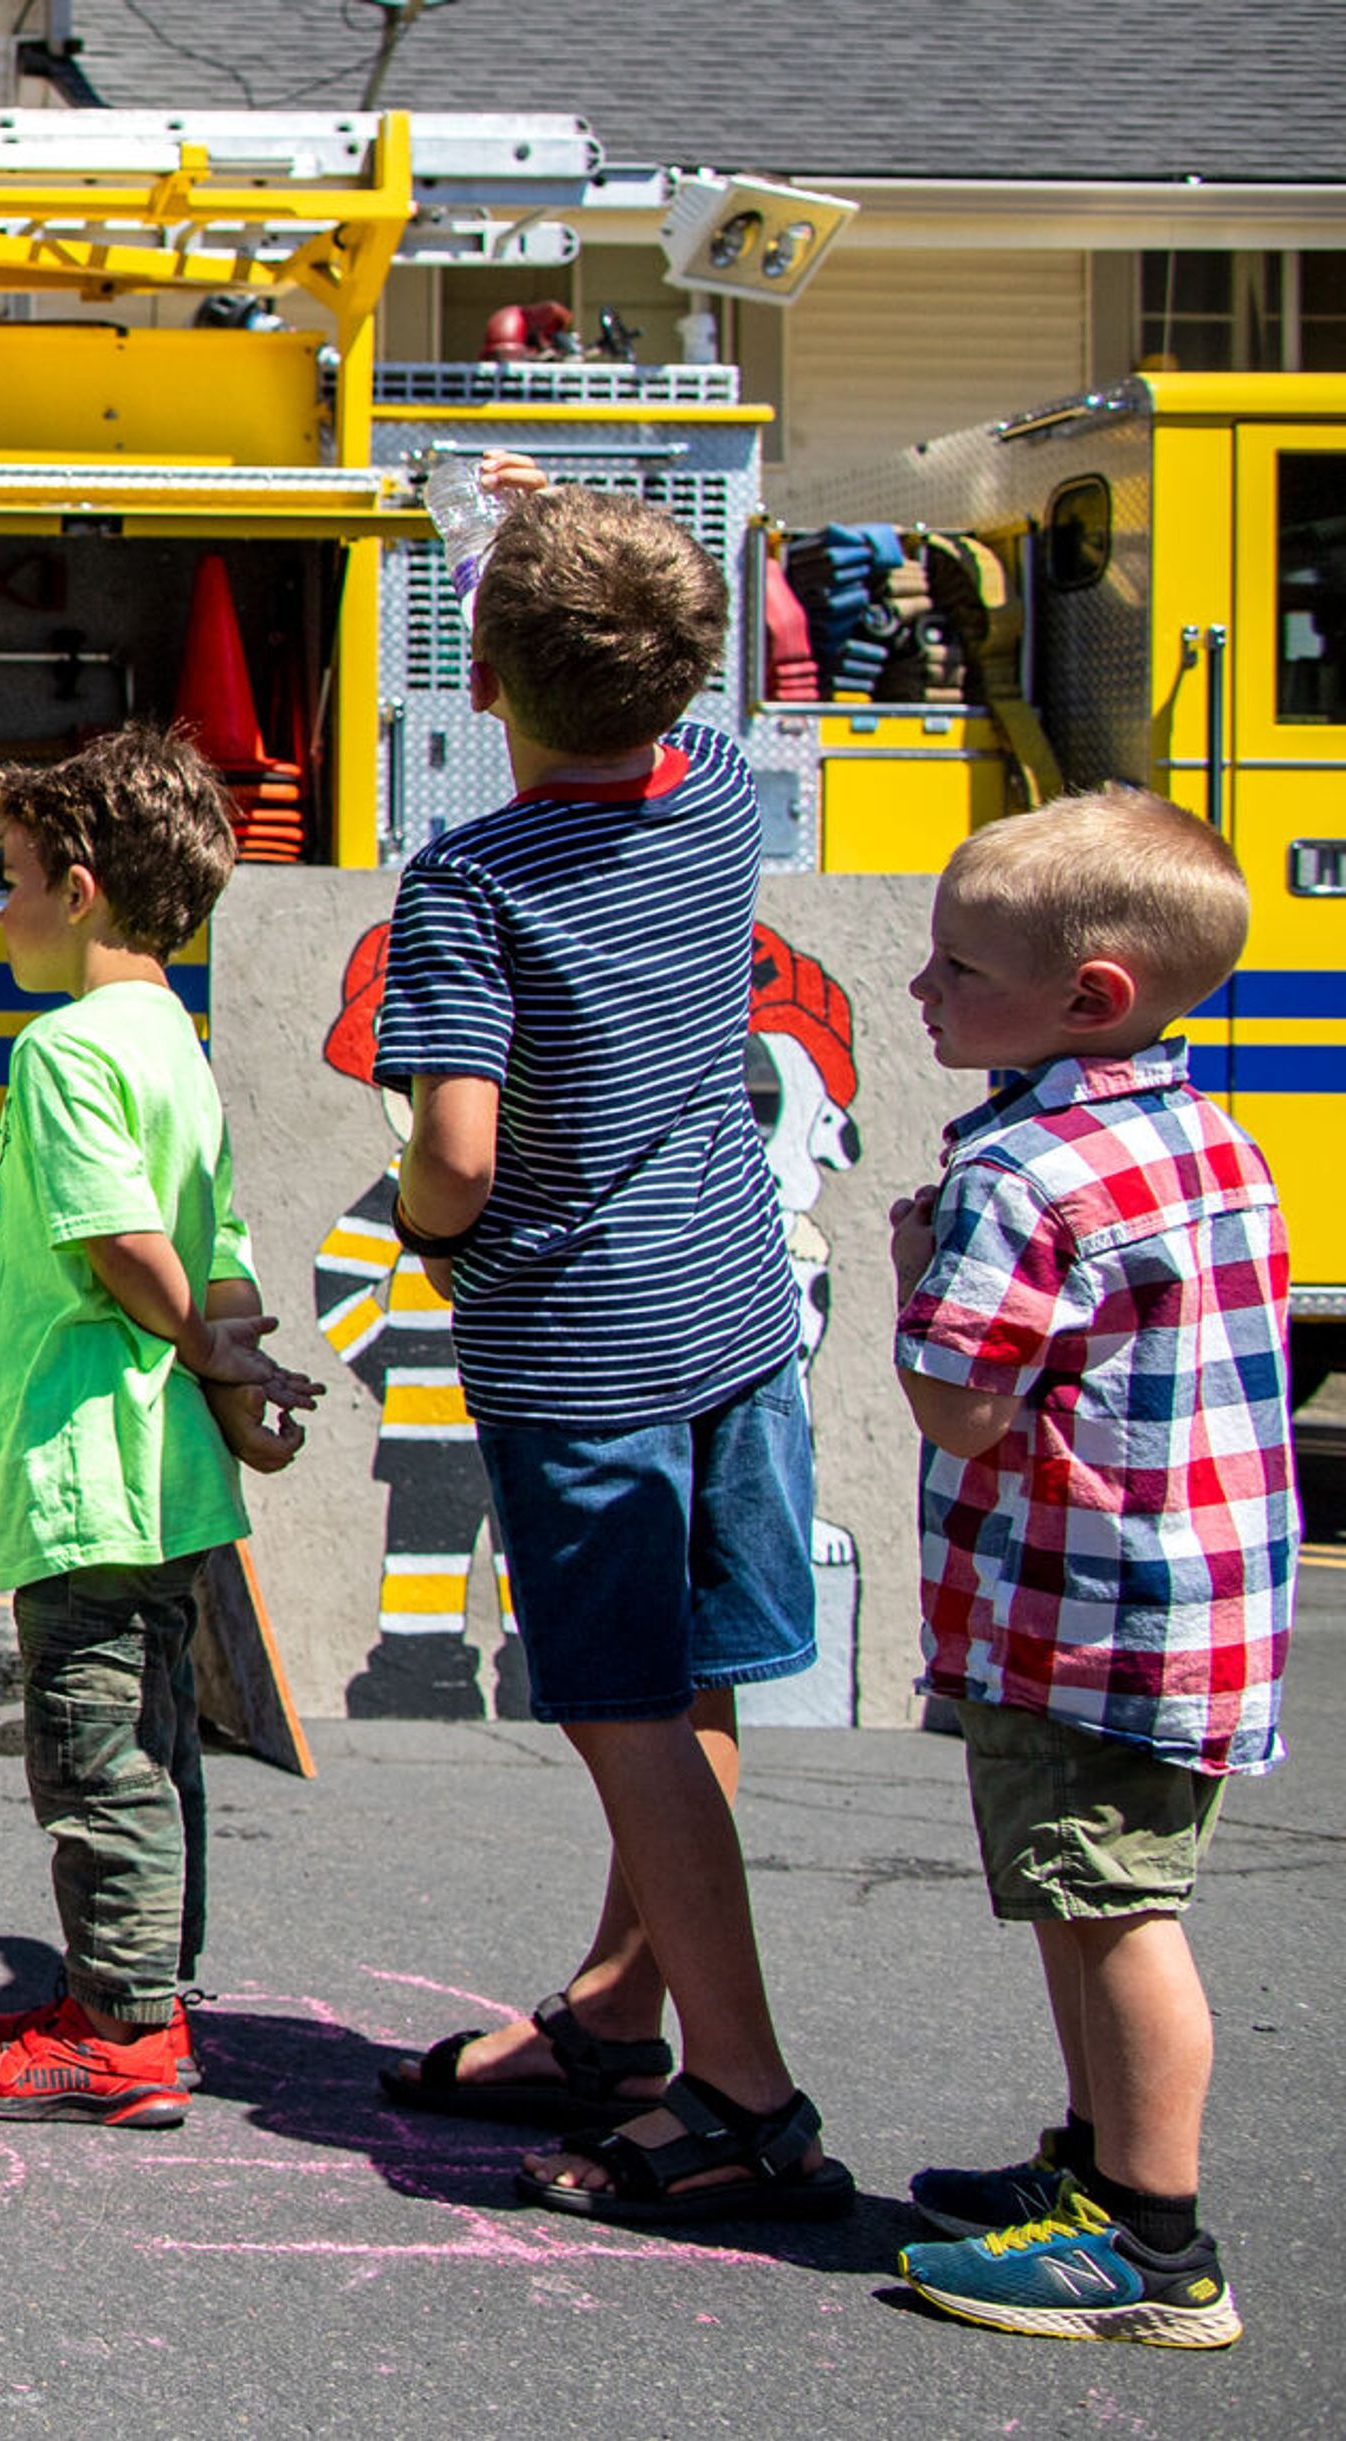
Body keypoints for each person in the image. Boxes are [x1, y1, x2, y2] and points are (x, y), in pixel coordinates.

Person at [365, 462, 852, 2224]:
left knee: (619, 1708)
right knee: (695, 1677)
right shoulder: (721, 799)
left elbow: (458, 1153)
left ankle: (743, 2089)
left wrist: (430, 1225)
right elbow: (654, 659)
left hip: (583, 1346)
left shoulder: (471, 882)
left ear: (478, 680)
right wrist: (566, 516)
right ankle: (619, 2014)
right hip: (736, 1313)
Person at [885, 788, 1290, 2349]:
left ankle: (1153, 2244)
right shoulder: (1198, 1130)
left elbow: (963, 1401)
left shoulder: (1021, 1175)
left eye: (958, 966)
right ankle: (1095, 2169)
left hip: (1082, 1611)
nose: (926, 988)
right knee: (1083, 1890)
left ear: (1087, 994)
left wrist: (921, 1274)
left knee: (1114, 1908)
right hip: (1182, 1603)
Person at [0, 729, 316, 2129]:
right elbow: (220, 1245)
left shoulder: (69, 1048)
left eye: (15, 879)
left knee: (97, 1753)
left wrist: (204, 1344)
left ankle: (122, 2036)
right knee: (152, 1742)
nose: (2, 905)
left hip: (88, 1470)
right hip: (162, 1477)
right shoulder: (174, 1042)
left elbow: (128, 1245)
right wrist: (239, 1372)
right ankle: (130, 1988)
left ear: (80, 889)